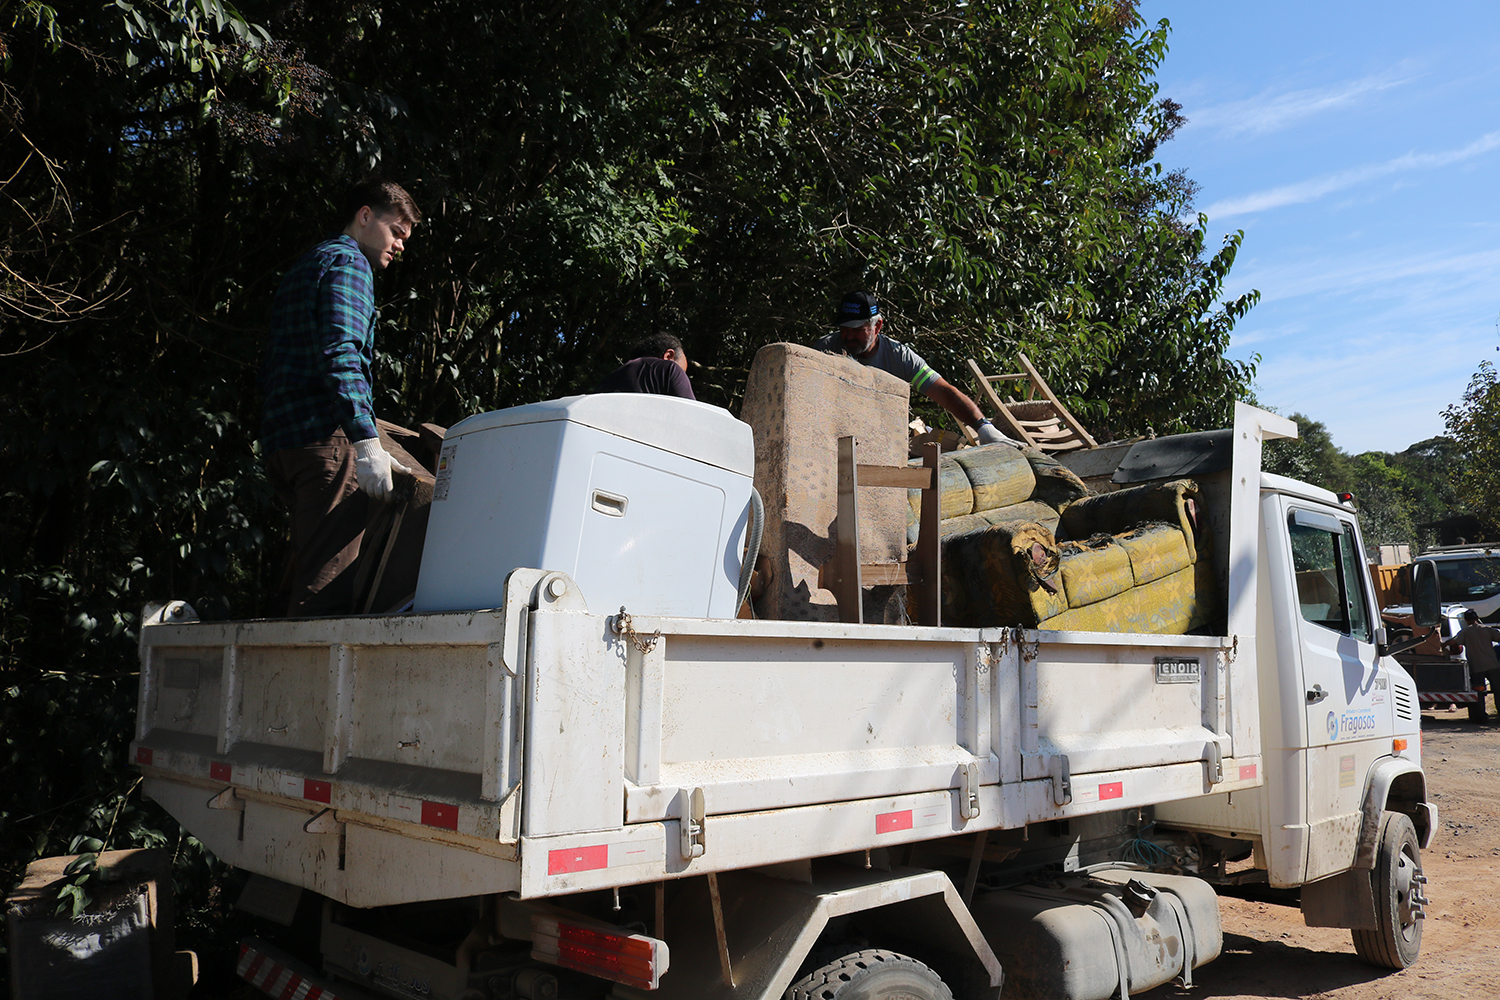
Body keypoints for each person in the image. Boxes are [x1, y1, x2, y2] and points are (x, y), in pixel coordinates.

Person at [260, 177, 421, 616]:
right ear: (365, 216)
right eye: (396, 232)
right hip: (323, 442)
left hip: (284, 443)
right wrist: (366, 442)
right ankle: (306, 684)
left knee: (308, 565)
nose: (401, 246)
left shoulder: (308, 263)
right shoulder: (350, 265)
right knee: (324, 596)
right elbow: (342, 354)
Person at [814, 291, 1018, 447]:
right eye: (844, 329)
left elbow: (943, 391)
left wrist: (983, 427)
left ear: (877, 327)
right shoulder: (824, 350)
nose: (848, 337)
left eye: (857, 330)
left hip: (882, 440)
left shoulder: (899, 357)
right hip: (834, 438)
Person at [596, 333, 695, 398]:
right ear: (669, 356)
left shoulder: (608, 380)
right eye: (683, 373)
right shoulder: (670, 369)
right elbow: (692, 416)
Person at [1443, 608, 1500, 721]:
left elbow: (1454, 642)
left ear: (1466, 620)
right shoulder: (1487, 629)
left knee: (1479, 692)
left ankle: (1480, 717)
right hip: (1493, 665)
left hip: (1477, 667)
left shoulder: (1465, 632)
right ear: (1477, 618)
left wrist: (1442, 645)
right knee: (1498, 691)